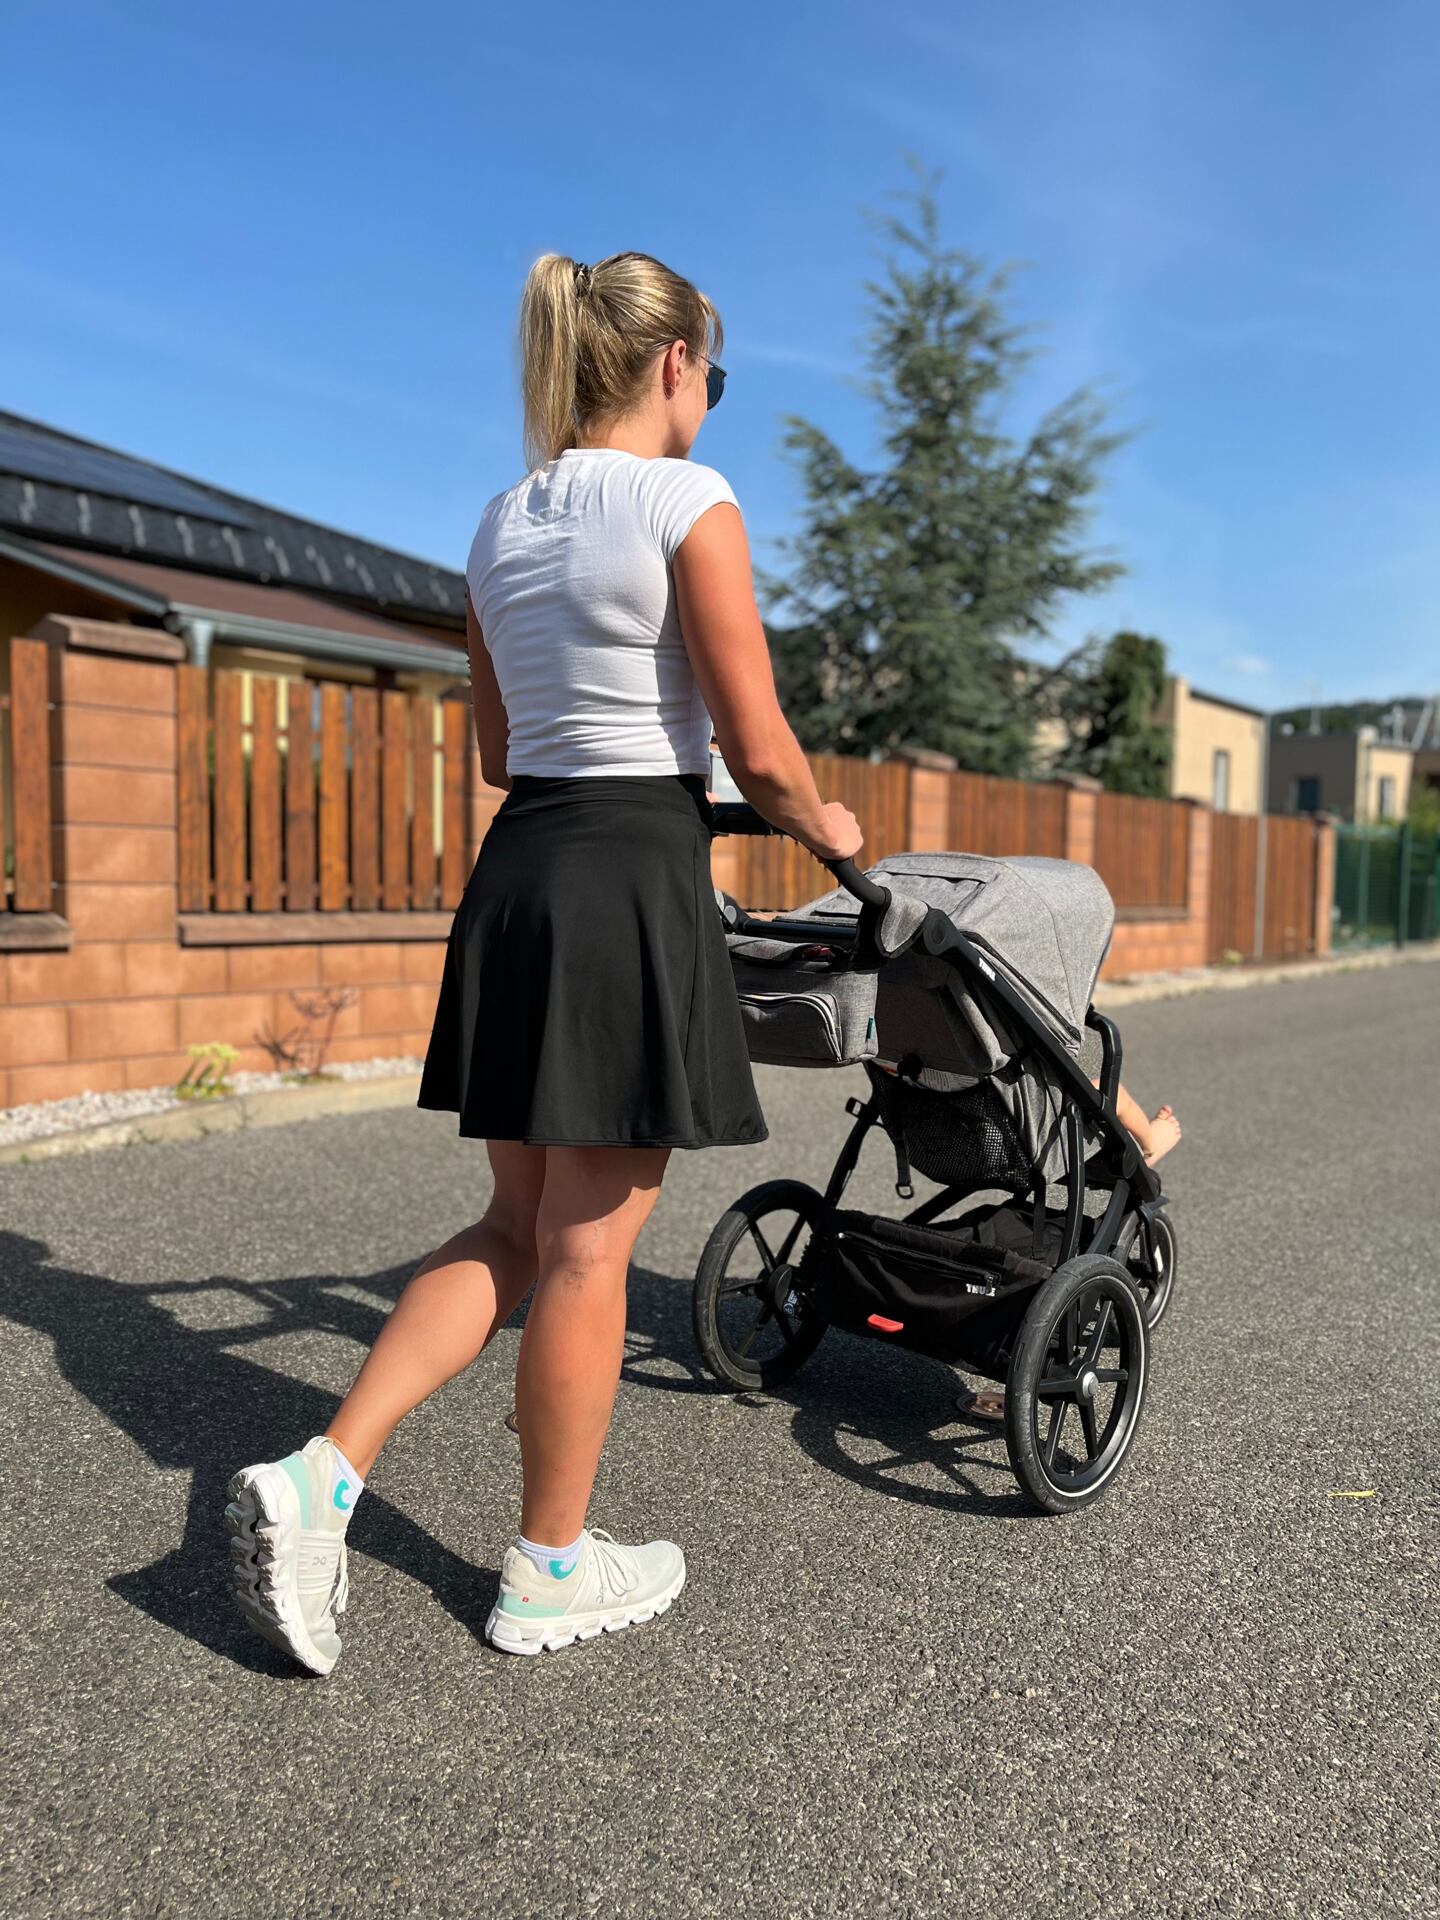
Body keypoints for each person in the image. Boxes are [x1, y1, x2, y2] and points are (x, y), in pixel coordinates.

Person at [223, 250, 862, 1672]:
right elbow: (759, 751)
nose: (711, 401)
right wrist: (831, 828)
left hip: (519, 876)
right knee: (587, 1250)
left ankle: (323, 1477)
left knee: (515, 1229)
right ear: (677, 364)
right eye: (716, 377)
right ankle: (549, 1570)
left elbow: (503, 753)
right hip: (627, 874)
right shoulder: (690, 501)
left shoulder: (498, 523)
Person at [955, 1085, 1181, 1425]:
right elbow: (1102, 1090)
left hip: (955, 1132)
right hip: (1036, 1137)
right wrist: (1146, 1136)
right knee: (1097, 1088)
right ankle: (1147, 1147)